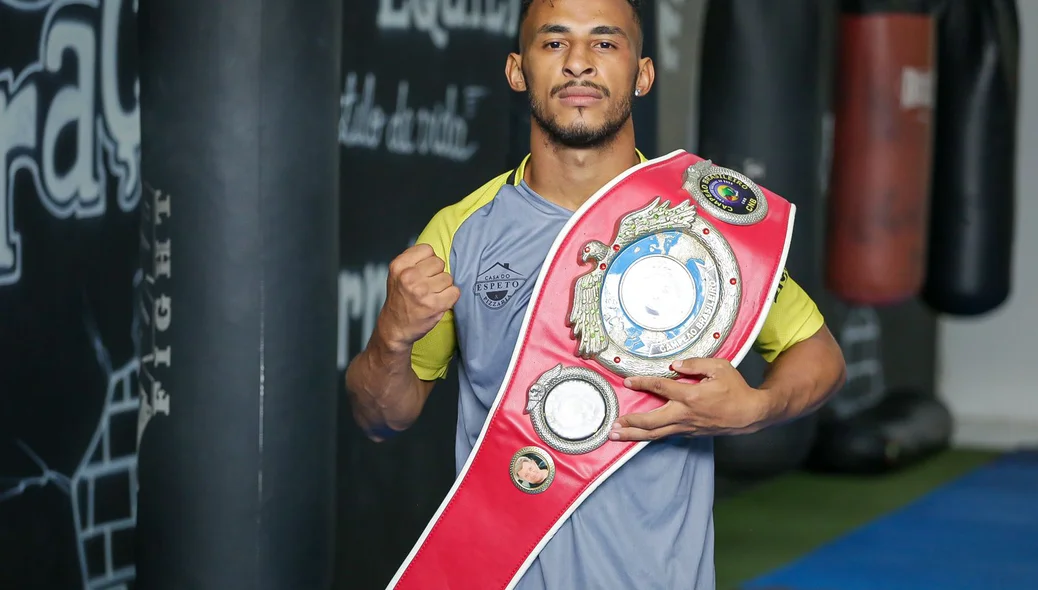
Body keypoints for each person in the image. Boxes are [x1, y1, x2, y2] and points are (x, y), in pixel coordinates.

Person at [345, 0, 847, 587]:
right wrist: (391, 338)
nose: (579, 63)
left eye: (605, 43)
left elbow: (821, 358)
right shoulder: (460, 232)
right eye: (554, 43)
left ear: (642, 74)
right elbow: (383, 418)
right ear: (516, 69)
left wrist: (755, 409)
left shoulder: (699, 224)